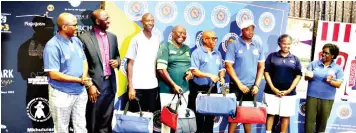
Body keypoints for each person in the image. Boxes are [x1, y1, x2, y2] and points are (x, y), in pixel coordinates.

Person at [43, 12, 89, 133]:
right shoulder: (52, 45)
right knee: (61, 129)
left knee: (81, 127)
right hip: (61, 93)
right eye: (74, 25)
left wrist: (84, 76)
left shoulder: (77, 41)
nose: (77, 27)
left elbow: (84, 61)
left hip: (80, 92)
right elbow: (53, 74)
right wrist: (79, 80)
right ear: (64, 27)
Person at [78, 9, 120, 133]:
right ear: (97, 21)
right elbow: (81, 64)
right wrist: (89, 85)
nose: (109, 21)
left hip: (110, 84)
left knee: (107, 118)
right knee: (93, 118)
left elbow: (117, 55)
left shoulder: (112, 37)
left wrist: (117, 62)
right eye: (106, 19)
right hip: (94, 85)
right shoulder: (83, 38)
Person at [225, 20, 265, 133]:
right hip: (236, 86)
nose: (250, 32)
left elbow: (261, 67)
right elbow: (228, 66)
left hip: (252, 87)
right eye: (247, 29)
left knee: (248, 116)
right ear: (242, 30)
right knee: (233, 116)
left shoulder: (258, 45)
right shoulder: (234, 45)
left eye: (252, 29)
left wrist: (257, 85)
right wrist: (239, 84)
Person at [157, 25, 192, 133]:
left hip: (184, 91)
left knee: (182, 122)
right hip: (168, 92)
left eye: (184, 33)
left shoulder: (187, 49)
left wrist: (190, 73)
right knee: (166, 123)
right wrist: (174, 85)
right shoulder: (165, 46)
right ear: (172, 33)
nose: (182, 35)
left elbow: (190, 67)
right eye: (179, 32)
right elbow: (161, 70)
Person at [264, 34, 302, 133]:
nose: (286, 46)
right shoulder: (271, 56)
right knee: (270, 114)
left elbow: (298, 76)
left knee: (285, 116)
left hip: (288, 94)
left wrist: (289, 90)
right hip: (271, 92)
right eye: (284, 44)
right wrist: (273, 88)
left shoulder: (295, 59)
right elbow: (266, 72)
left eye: (289, 44)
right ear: (279, 44)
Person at [189, 30, 225, 133]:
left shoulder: (217, 53)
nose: (215, 41)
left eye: (215, 38)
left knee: (211, 117)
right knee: (199, 118)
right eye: (213, 38)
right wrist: (209, 75)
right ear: (205, 39)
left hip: (213, 89)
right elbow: (194, 71)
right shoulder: (197, 53)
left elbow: (221, 69)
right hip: (199, 89)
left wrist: (221, 77)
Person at [304, 43, 344, 133]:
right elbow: (306, 77)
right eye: (323, 52)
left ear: (333, 55)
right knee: (309, 123)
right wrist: (307, 76)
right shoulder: (314, 64)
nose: (323, 54)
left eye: (326, 53)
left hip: (327, 99)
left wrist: (331, 81)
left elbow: (339, 84)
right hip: (312, 97)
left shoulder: (337, 68)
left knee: (322, 123)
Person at [126, 13, 160, 113]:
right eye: (148, 20)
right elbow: (130, 64)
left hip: (153, 85)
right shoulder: (136, 39)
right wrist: (131, 87)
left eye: (152, 20)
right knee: (136, 117)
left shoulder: (156, 38)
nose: (151, 23)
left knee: (151, 116)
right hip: (138, 86)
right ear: (142, 22)